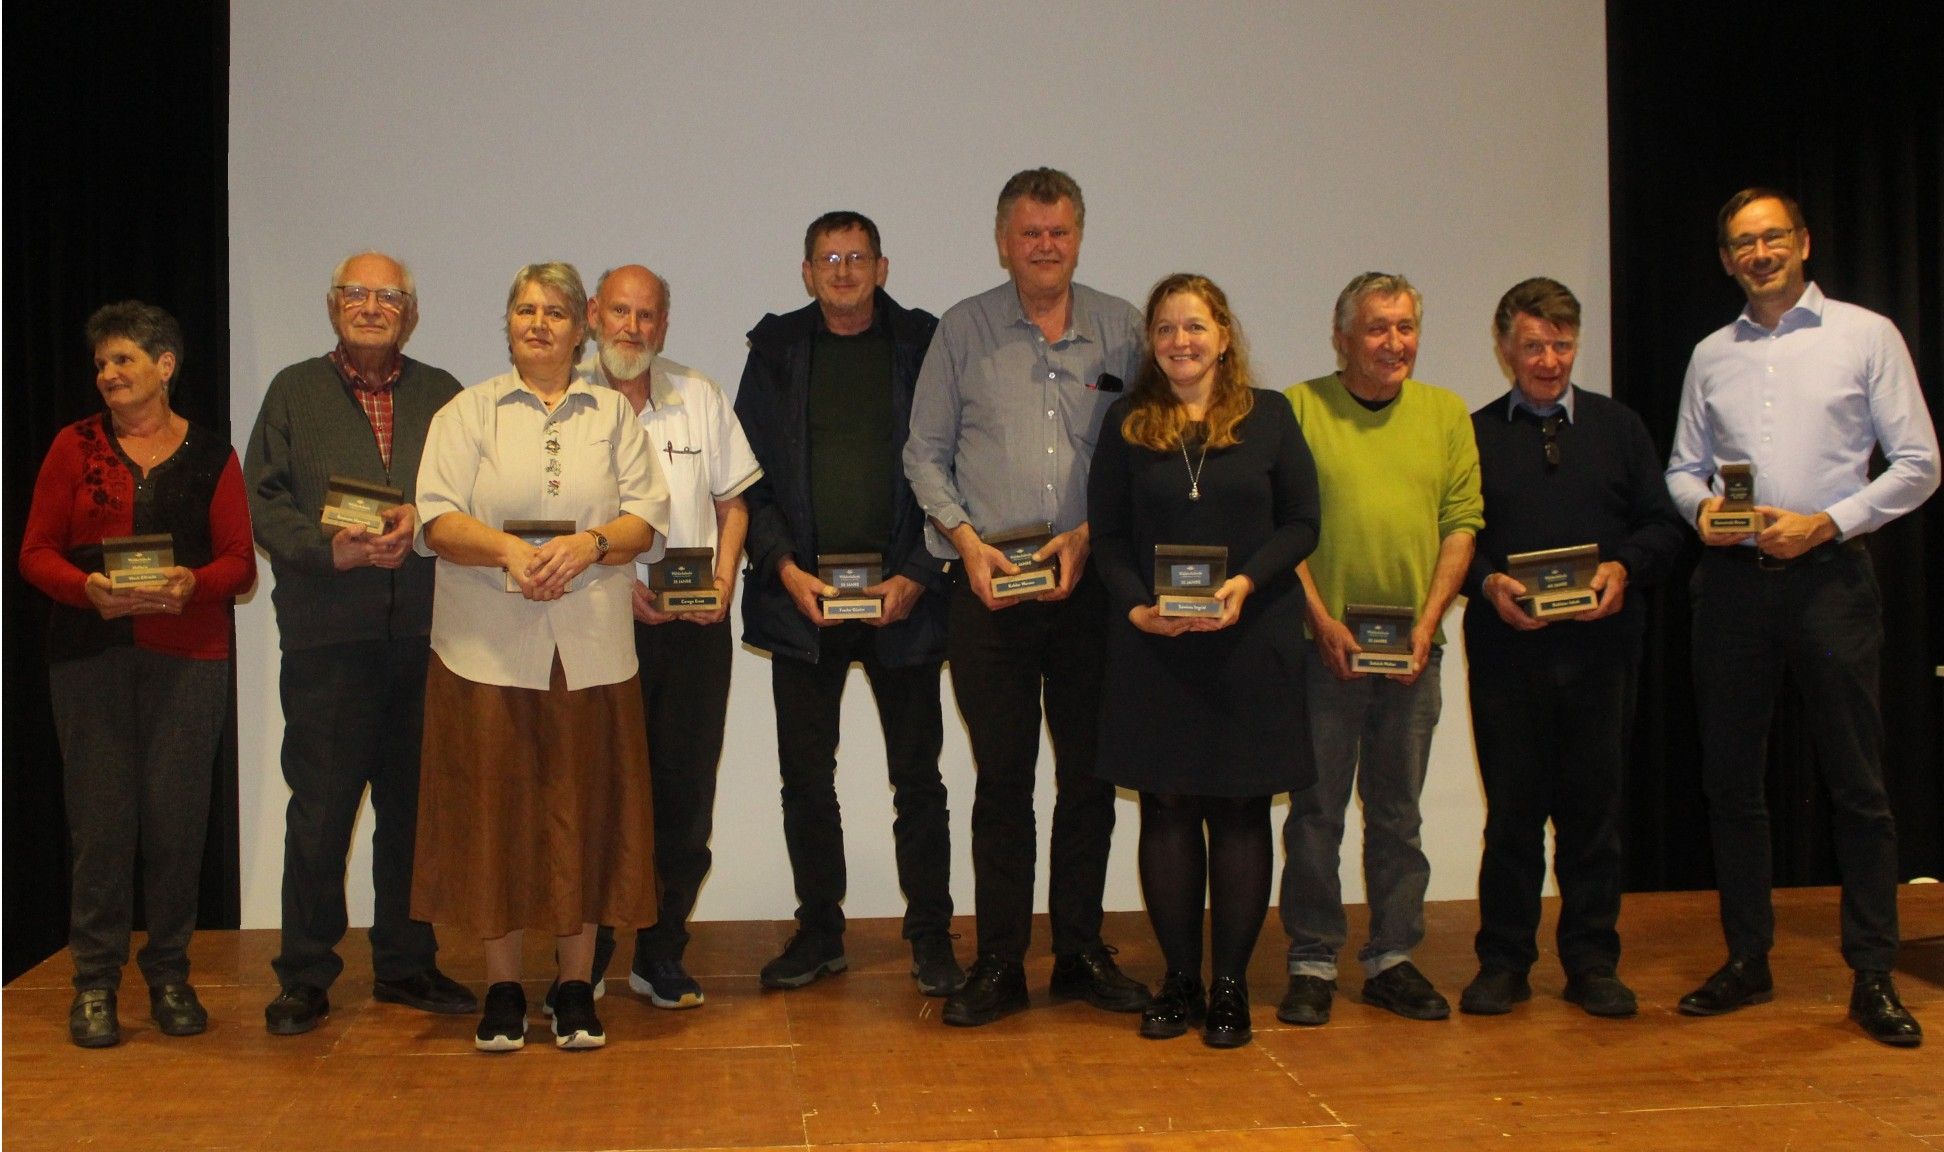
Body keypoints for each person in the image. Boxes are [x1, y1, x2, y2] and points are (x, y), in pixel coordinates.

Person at [1665, 187, 1937, 1048]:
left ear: (1805, 242)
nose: (1759, 252)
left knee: (1856, 782)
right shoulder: (1710, 354)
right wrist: (1701, 511)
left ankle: (1872, 973)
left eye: (1773, 236)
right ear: (1725, 259)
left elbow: (1920, 464)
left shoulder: (1866, 335)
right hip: (1734, 586)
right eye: (1742, 242)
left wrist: (1827, 523)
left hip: (1829, 578)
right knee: (1732, 783)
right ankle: (1749, 960)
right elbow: (1683, 468)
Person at [905, 167, 1151, 1026]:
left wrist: (1091, 538)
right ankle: (1002, 962)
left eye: (1060, 232)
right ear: (1003, 241)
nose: (1046, 247)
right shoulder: (962, 331)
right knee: (1002, 782)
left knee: (1089, 777)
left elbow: (1152, 454)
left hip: (1090, 591)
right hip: (990, 589)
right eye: (1030, 233)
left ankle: (1080, 952)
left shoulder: (1125, 331)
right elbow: (923, 455)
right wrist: (965, 544)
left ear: (1079, 237)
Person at [411, 263, 670, 1052]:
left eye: (556, 311)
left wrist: (588, 546)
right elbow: (435, 520)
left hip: (590, 649)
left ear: (580, 327)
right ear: (508, 322)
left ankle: (571, 987)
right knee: (495, 815)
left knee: (583, 814)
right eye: (525, 309)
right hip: (485, 652)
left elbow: (645, 519)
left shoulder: (613, 416)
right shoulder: (467, 412)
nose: (539, 323)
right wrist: (507, 554)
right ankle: (500, 988)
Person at [245, 251, 475, 1036]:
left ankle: (406, 965)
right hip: (327, 639)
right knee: (321, 813)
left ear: (410, 314)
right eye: (356, 293)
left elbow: (467, 494)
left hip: (424, 635)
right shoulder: (293, 391)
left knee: (414, 812)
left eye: (388, 297)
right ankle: (305, 974)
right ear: (333, 304)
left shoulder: (444, 395)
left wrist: (423, 517)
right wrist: (324, 547)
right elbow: (262, 503)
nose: (371, 306)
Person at [1088, 275, 1320, 1048]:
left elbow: (1303, 523)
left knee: (1243, 810)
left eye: (1194, 327)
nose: (1179, 342)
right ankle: (1180, 980)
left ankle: (1230, 989)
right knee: (1168, 809)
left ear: (1223, 334)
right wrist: (1135, 609)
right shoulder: (1126, 423)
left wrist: (1246, 585)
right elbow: (1110, 537)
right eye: (1164, 329)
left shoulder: (1272, 417)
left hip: (1248, 641)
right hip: (1156, 647)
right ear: (1151, 343)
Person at [734, 211, 960, 996]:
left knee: (919, 782)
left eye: (856, 257)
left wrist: (918, 576)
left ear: (882, 267)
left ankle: (931, 936)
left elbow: (949, 461)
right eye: (827, 258)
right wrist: (782, 568)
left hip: (904, 597)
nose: (842, 270)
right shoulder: (777, 353)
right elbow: (746, 477)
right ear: (806, 271)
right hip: (805, 602)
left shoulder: (924, 347)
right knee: (806, 779)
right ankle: (819, 932)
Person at [20, 301, 257, 1048]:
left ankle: (170, 976)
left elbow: (239, 563)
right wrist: (85, 589)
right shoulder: (72, 446)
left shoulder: (213, 454)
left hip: (189, 662)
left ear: (165, 365)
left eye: (122, 360)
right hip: (89, 660)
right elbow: (34, 552)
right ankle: (94, 984)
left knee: (177, 825)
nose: (108, 375)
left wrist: (194, 584)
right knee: (100, 825)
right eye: (100, 365)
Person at [1456, 278, 1684, 1019]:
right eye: (1532, 345)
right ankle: (1505, 961)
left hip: (1601, 652)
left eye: (1560, 344)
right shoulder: (1474, 433)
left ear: (1575, 345)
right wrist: (1488, 584)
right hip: (1507, 653)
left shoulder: (1619, 429)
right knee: (1513, 815)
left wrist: (1626, 568)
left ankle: (1591, 960)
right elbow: (1455, 539)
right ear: (1505, 349)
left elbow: (1661, 527)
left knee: (1594, 814)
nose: (1548, 360)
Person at [1276, 272, 1484, 1027]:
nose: (1394, 343)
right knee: (1316, 813)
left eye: (1405, 327)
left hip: (1413, 651)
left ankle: (1394, 957)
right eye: (1376, 328)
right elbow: (1283, 525)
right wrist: (1321, 621)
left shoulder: (1445, 414)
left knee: (1398, 815)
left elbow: (1462, 521)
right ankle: (1311, 959)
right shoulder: (1298, 409)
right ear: (1342, 338)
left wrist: (1430, 622)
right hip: (1320, 649)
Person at [567, 264, 760, 1012]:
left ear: (665, 326)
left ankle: (662, 953)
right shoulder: (571, 403)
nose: (632, 328)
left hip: (693, 631)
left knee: (685, 799)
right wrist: (621, 589)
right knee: (598, 798)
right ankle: (588, 958)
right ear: (593, 314)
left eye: (647, 316)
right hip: (595, 626)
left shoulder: (697, 396)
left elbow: (735, 502)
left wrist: (724, 579)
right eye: (620, 311)